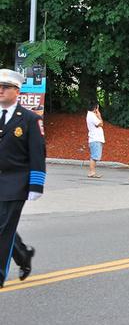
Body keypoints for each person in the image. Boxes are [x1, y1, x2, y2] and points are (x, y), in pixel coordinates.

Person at [0, 69, 45, 288]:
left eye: (5, 87)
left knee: (3, 228)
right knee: (2, 226)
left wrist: (36, 184)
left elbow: (37, 153)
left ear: (17, 91)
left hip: (15, 183)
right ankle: (23, 254)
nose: (0, 91)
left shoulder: (29, 119)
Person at [86, 102, 105, 178]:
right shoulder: (92, 116)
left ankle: (92, 172)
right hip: (95, 139)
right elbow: (101, 124)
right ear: (95, 108)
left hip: (95, 139)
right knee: (94, 157)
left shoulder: (91, 115)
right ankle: (91, 172)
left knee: (94, 156)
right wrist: (99, 116)